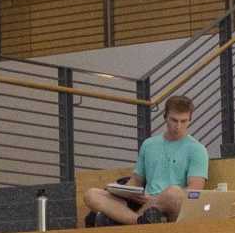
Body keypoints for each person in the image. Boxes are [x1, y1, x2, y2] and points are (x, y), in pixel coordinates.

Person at [84, 94, 209, 225]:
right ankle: (139, 221)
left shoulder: (197, 149)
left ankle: (129, 220)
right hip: (143, 201)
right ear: (165, 117)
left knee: (174, 193)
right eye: (174, 120)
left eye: (184, 121)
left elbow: (194, 191)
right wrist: (125, 192)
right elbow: (137, 180)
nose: (178, 126)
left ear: (190, 120)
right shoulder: (149, 144)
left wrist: (158, 198)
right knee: (91, 194)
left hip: (171, 202)